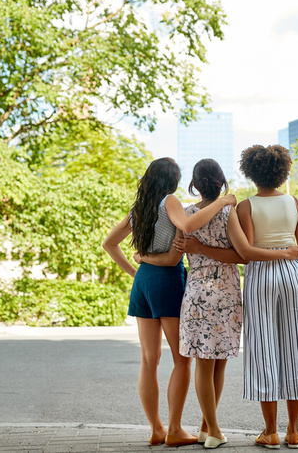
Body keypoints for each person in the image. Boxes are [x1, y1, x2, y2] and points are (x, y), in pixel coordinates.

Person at [137, 158, 298, 449]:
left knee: (203, 364)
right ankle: (210, 428)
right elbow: (243, 255)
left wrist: (146, 258)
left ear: (195, 185)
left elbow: (177, 255)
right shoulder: (229, 212)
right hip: (225, 293)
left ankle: (208, 428)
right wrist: (284, 253)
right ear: (221, 182)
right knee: (219, 366)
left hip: (197, 293)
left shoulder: (185, 215)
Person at [102, 157, 236, 447]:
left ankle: (156, 429)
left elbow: (109, 243)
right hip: (166, 281)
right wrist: (223, 201)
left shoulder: (139, 208)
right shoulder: (170, 201)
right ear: (173, 180)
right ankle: (175, 429)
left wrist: (137, 269)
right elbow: (185, 228)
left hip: (143, 284)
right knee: (181, 359)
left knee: (149, 361)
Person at [236, 144, 298, 449]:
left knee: (264, 349)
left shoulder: (245, 207)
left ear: (252, 173)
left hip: (260, 276)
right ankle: (294, 431)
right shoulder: (295, 203)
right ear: (282, 172)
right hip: (293, 274)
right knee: (297, 349)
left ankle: (269, 431)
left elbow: (247, 251)